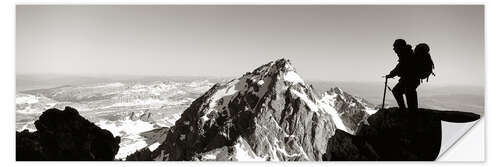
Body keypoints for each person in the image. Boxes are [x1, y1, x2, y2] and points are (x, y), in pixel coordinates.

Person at [386, 39, 420, 112]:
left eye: (395, 47)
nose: (394, 49)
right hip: (409, 80)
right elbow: (400, 67)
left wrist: (391, 74)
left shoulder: (406, 54)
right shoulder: (406, 53)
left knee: (406, 93)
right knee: (400, 91)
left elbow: (400, 67)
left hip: (410, 80)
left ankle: (410, 113)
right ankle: (408, 111)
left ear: (399, 46)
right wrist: (392, 74)